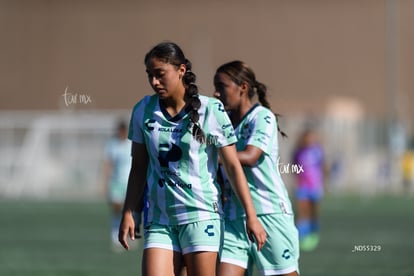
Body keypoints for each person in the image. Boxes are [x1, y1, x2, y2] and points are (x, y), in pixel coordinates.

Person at [118, 42, 266, 276]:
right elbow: (138, 168)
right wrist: (128, 212)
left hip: (201, 216)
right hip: (159, 219)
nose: (154, 82)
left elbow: (232, 166)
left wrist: (251, 215)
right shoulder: (143, 110)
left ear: (181, 70)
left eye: (160, 74)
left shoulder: (211, 110)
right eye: (150, 76)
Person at [213, 60, 299, 276]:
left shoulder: (262, 117)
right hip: (234, 217)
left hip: (268, 214)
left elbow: (251, 156)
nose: (216, 93)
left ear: (242, 87)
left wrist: (215, 157)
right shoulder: (224, 123)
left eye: (222, 86)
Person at [292, 127, 325, 252]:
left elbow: (323, 166)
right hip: (303, 186)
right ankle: (301, 236)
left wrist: (324, 183)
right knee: (302, 212)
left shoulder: (318, 151)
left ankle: (314, 234)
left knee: (314, 212)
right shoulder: (298, 152)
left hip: (315, 186)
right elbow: (294, 166)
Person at [102, 120, 132, 251]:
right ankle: (115, 236)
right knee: (116, 210)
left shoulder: (131, 144)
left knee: (129, 210)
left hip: (130, 182)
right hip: (116, 182)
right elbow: (108, 163)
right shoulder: (112, 145)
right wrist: (104, 182)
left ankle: (131, 234)